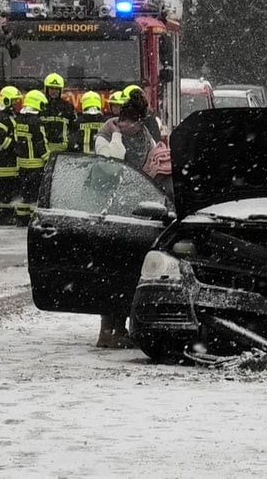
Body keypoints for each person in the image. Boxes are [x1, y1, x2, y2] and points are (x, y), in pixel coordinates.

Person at [93, 93, 159, 349]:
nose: (127, 126)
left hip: (134, 210)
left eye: (132, 123)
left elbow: (150, 164)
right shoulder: (106, 135)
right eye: (123, 121)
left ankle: (119, 329)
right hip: (108, 209)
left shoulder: (145, 139)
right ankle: (106, 330)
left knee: (126, 273)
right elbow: (111, 164)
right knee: (110, 272)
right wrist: (117, 135)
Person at [15, 89, 50, 226]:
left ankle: (22, 220)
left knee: (25, 196)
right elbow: (41, 142)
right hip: (36, 165)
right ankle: (34, 221)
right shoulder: (36, 122)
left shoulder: (19, 120)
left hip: (22, 165)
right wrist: (48, 158)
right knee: (35, 196)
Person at [0, 85, 22, 226]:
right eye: (14, 101)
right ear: (7, 100)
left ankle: (8, 216)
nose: (16, 103)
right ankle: (3, 217)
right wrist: (15, 147)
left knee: (9, 192)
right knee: (5, 192)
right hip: (5, 163)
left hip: (11, 162)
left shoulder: (9, 116)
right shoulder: (1, 118)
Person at [40, 73, 77, 159]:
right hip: (44, 151)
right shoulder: (40, 105)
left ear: (61, 90)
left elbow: (73, 128)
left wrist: (71, 145)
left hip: (63, 151)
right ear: (46, 89)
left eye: (57, 89)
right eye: (51, 88)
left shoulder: (67, 106)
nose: (54, 91)